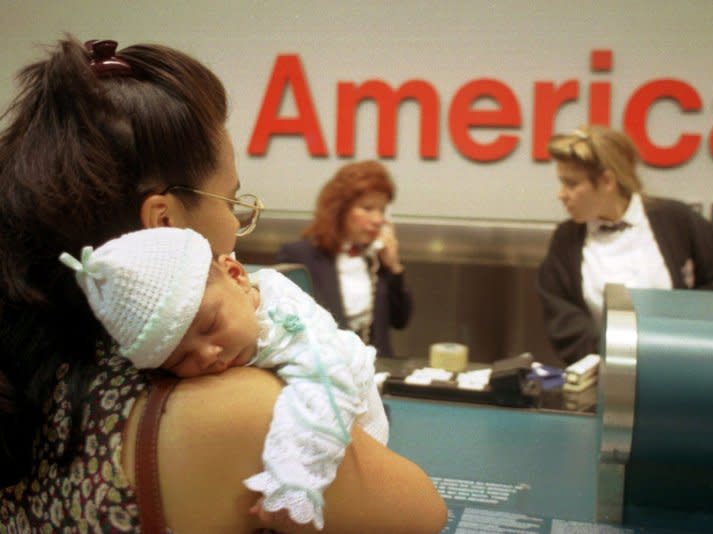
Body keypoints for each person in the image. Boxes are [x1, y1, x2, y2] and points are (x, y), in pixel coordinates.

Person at [0, 36, 447, 533]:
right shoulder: (243, 411)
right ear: (165, 222)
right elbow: (423, 515)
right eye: (230, 203)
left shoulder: (28, 375)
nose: (235, 229)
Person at [59, 226, 389, 530]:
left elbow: (326, 392)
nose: (207, 354)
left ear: (236, 275)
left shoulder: (292, 327)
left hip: (356, 419)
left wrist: (294, 481)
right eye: (180, 358)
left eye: (210, 326)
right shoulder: (230, 310)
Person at [538, 125, 713, 365]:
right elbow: (563, 319)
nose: (561, 194)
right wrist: (613, 356)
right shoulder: (566, 239)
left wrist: (681, 341)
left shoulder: (676, 220)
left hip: (683, 368)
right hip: (606, 374)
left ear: (607, 181)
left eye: (571, 184)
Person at [276, 160, 412, 358]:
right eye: (367, 208)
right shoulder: (299, 256)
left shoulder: (375, 259)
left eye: (382, 210)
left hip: (375, 372)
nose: (377, 220)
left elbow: (401, 320)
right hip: (323, 370)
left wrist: (394, 266)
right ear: (340, 209)